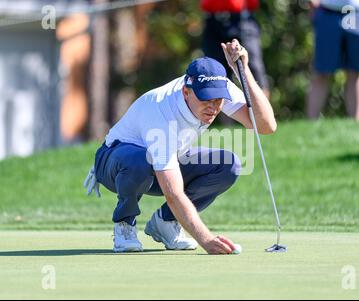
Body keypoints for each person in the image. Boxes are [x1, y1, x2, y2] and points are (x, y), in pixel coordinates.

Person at [84, 39, 277, 254]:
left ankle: (165, 223)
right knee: (141, 160)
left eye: (218, 100)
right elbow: (173, 193)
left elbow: (266, 126)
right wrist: (206, 240)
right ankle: (124, 223)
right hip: (114, 162)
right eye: (206, 99)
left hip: (162, 161)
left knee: (227, 165)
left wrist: (242, 71)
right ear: (186, 92)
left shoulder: (220, 87)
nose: (213, 107)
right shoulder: (161, 111)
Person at [307, 0, 359, 121]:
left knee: (356, 73)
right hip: (328, 11)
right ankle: (310, 124)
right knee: (321, 72)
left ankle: (356, 125)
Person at [201, 0, 270, 98]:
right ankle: (223, 113)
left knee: (255, 70)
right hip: (213, 21)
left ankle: (263, 112)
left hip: (242, 19)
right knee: (213, 74)